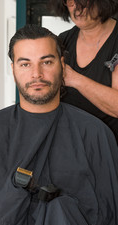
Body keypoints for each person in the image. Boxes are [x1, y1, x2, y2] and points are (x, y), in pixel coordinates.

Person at [0, 24, 118, 225]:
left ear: (62, 65)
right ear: (13, 68)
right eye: (25, 64)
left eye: (47, 62)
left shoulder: (95, 134)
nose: (37, 74)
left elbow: (109, 220)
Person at [49, 0, 118, 144]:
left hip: (109, 149)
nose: (77, 8)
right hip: (70, 146)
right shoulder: (63, 40)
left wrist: (74, 79)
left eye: (84, 1)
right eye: (71, 1)